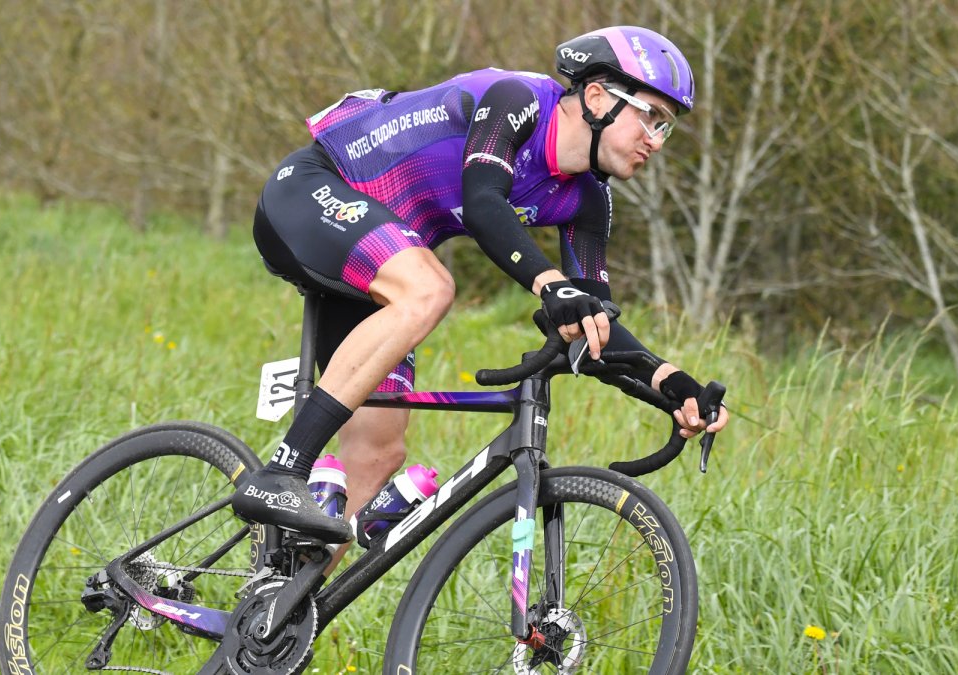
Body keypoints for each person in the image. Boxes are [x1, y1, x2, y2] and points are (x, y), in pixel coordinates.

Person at [233, 26, 730, 544]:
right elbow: (484, 202)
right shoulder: (517, 101)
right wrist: (550, 285)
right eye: (650, 117)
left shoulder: (589, 200)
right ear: (598, 96)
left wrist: (671, 386)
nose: (655, 139)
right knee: (431, 289)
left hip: (382, 262)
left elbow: (594, 319)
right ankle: (281, 474)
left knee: (379, 451)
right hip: (316, 190)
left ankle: (283, 606)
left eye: (665, 128)